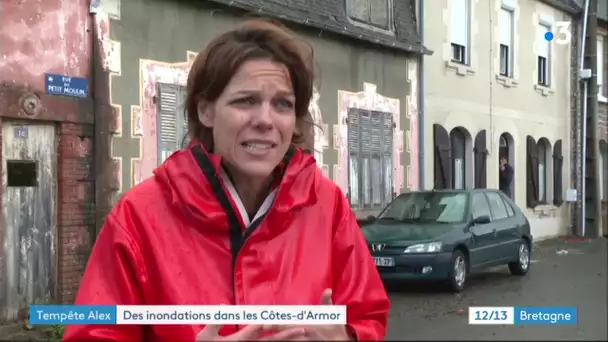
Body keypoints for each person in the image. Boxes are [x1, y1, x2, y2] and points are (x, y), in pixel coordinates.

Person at [62, 18, 389, 342]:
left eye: (282, 104)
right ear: (206, 111)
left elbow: (368, 317)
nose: (265, 120)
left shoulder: (327, 205)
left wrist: (345, 339)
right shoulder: (139, 216)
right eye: (245, 100)